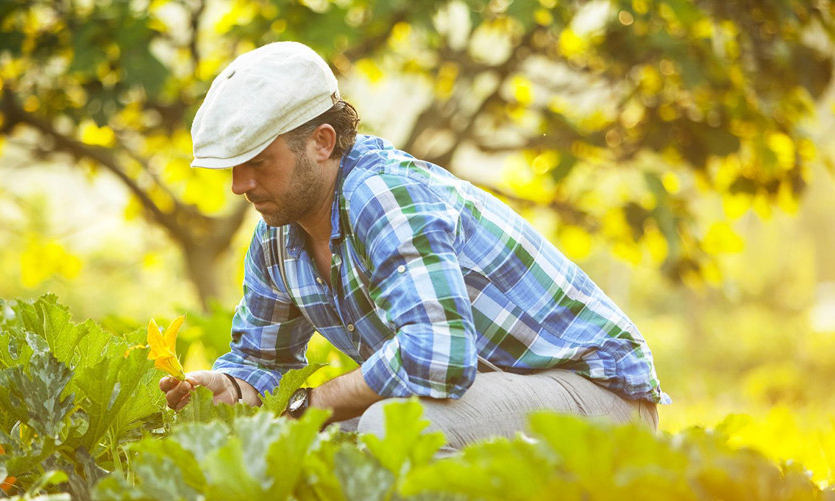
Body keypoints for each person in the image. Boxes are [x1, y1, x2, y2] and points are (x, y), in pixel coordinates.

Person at [160, 41, 670, 451]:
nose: (239, 185)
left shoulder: (383, 196)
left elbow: (437, 357)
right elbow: (261, 362)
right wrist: (230, 387)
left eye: (258, 162)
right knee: (321, 454)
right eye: (233, 166)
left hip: (594, 397)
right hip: (487, 399)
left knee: (392, 429)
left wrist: (311, 404)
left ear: (321, 142)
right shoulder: (277, 234)